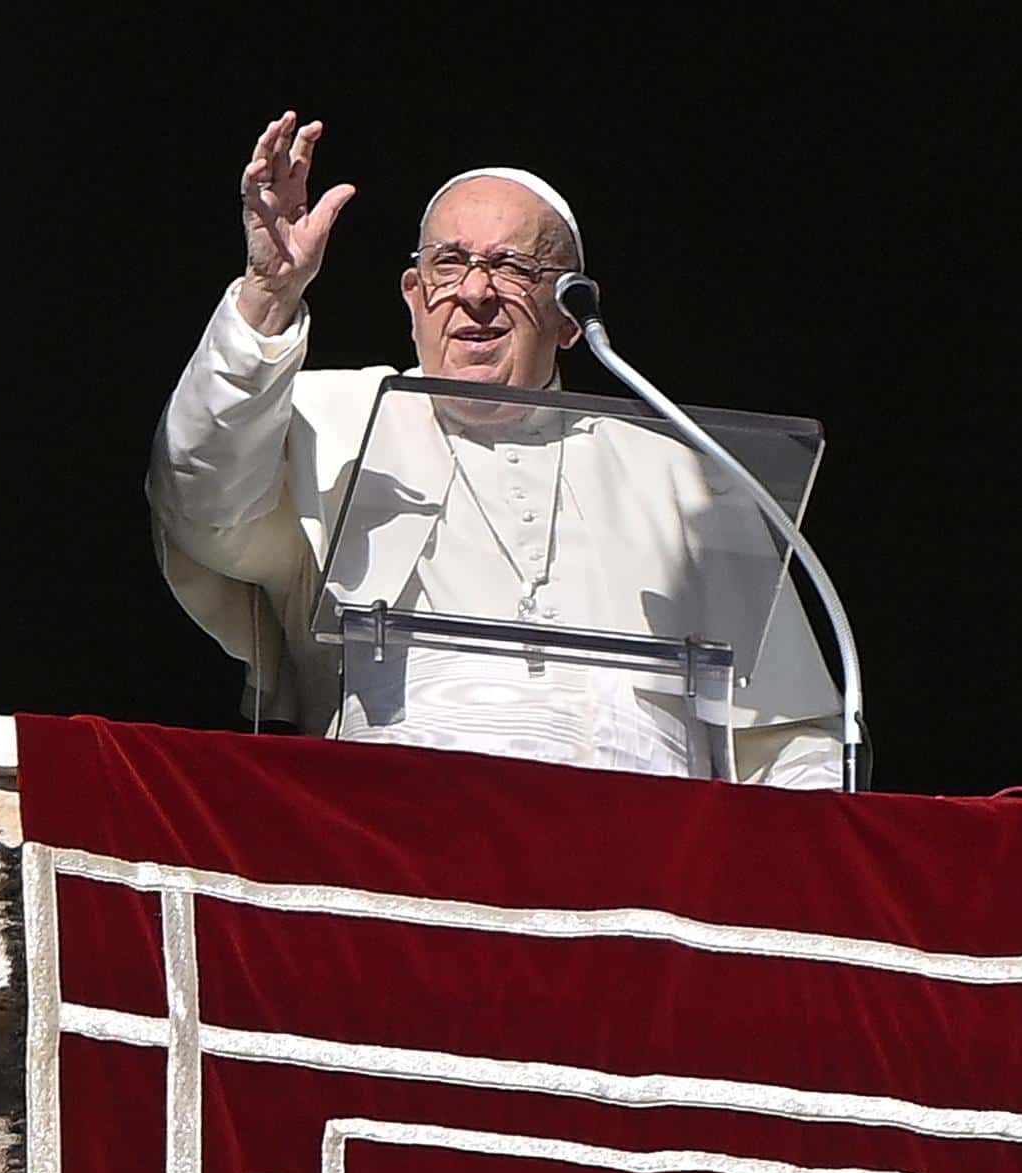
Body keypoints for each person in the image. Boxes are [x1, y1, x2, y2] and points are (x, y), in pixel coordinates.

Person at [147, 112, 841, 787]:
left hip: (646, 861)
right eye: (449, 265)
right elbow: (202, 506)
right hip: (394, 834)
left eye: (511, 267)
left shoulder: (687, 477)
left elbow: (787, 739)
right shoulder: (326, 422)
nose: (475, 293)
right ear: (414, 297)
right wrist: (269, 297)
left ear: (571, 316)